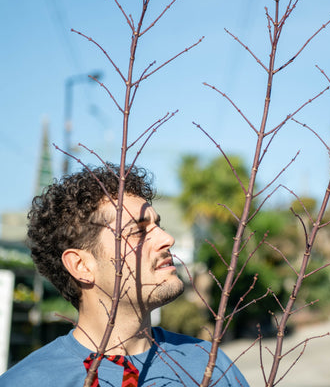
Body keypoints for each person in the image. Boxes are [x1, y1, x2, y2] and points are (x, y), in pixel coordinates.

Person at [0, 164, 248, 386]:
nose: (167, 239)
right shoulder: (28, 381)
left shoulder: (211, 366)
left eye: (158, 225)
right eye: (138, 232)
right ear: (81, 266)